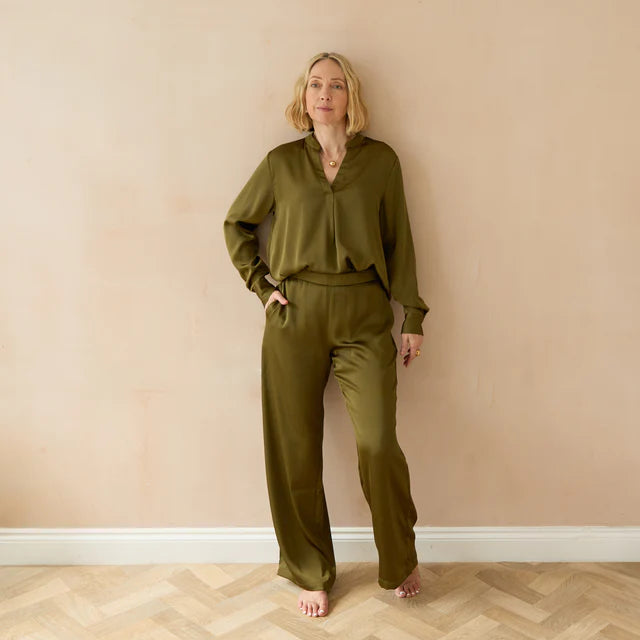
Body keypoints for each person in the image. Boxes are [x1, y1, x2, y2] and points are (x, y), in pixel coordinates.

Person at [223, 51, 429, 618]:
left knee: (377, 442)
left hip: (364, 312)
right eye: (316, 84)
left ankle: (399, 556)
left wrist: (412, 315)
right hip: (296, 314)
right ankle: (310, 570)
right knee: (294, 449)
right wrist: (262, 286)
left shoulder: (382, 161)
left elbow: (400, 242)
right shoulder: (281, 163)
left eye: (336, 85)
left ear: (350, 96)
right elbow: (237, 224)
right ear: (304, 95)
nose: (324, 94)